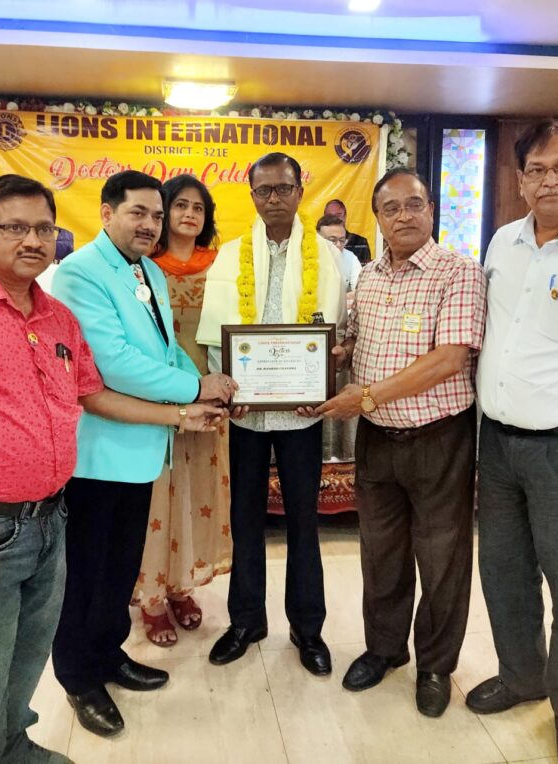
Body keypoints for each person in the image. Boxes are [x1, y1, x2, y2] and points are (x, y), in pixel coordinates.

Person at [0, 173, 222, 764]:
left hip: (49, 510)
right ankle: (45, 707)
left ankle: (22, 736)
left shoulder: (56, 314)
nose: (32, 240)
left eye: (43, 228)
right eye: (15, 227)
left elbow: (92, 391)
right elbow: (117, 364)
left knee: (33, 645)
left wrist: (182, 412)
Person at [50, 170, 235, 738]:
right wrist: (194, 388)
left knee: (120, 566)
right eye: (138, 213)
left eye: (156, 215)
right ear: (106, 213)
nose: (150, 224)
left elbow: (166, 350)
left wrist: (205, 387)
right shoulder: (80, 272)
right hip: (99, 455)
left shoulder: (147, 269)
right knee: (85, 574)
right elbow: (112, 362)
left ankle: (109, 655)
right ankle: (78, 678)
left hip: (145, 450)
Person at [466, 119, 558, 764]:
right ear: (520, 178)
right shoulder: (503, 242)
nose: (550, 180)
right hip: (499, 444)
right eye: (537, 169)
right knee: (503, 574)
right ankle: (521, 676)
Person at [317, 168, 486, 718]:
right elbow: (355, 341)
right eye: (391, 208)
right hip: (377, 440)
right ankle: (385, 649)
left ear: (431, 209)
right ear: (377, 218)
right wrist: (329, 358)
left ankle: (435, 666)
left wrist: (365, 396)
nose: (404, 216)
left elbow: (449, 360)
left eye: (414, 204)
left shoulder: (458, 272)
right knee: (380, 553)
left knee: (442, 558)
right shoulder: (367, 276)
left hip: (438, 437)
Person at [197, 152, 345, 676]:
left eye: (283, 188)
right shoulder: (229, 256)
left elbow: (335, 335)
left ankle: (308, 627)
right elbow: (215, 335)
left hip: (302, 414)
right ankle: (246, 622)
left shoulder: (327, 257)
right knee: (245, 519)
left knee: (304, 520)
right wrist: (226, 389)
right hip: (246, 414)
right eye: (264, 190)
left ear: (300, 191)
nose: (274, 198)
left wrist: (320, 384)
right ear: (253, 196)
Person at [133, 174, 232, 647]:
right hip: (159, 401)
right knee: (159, 498)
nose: (190, 214)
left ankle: (180, 586)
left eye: (198, 207)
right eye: (180, 205)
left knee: (197, 494)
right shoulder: (142, 268)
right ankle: (151, 596)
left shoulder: (224, 267)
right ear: (163, 212)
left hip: (210, 401)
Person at [316, 213, 362, 461]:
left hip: (340, 336)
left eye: (342, 240)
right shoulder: (307, 258)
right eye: (331, 240)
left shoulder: (350, 259)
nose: (337, 245)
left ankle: (340, 451)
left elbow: (357, 291)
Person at [323, 198, 372, 264]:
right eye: (330, 216)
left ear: (345, 217)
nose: (334, 219)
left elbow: (365, 269)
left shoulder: (360, 242)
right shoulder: (319, 243)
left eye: (338, 215)